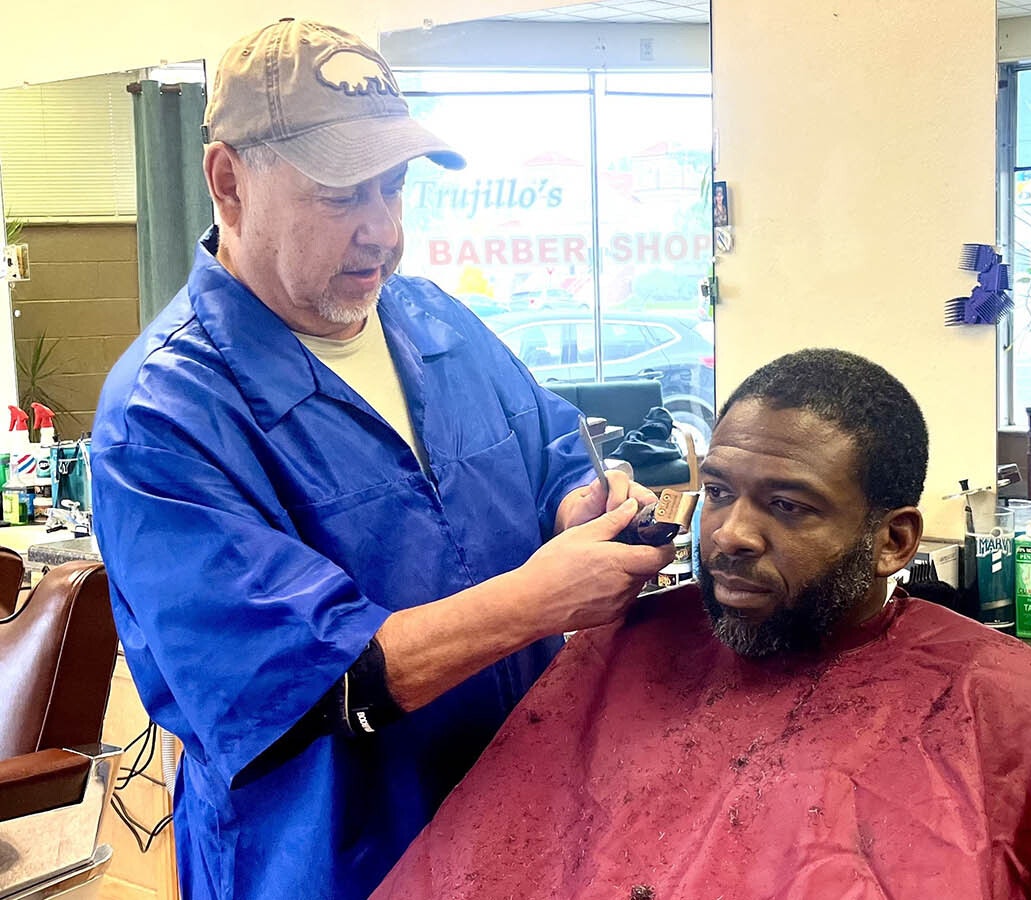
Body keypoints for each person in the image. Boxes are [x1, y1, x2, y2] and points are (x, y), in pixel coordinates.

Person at [90, 20, 673, 900]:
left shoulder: (436, 322)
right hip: (332, 862)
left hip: (523, 818)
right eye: (340, 195)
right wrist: (544, 597)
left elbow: (552, 454)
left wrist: (581, 506)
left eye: (394, 188)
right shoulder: (165, 417)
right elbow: (319, 681)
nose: (382, 233)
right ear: (227, 180)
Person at [372, 349, 1031, 899]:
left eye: (786, 506)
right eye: (718, 491)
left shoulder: (995, 700)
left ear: (894, 540)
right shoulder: (631, 648)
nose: (730, 534)